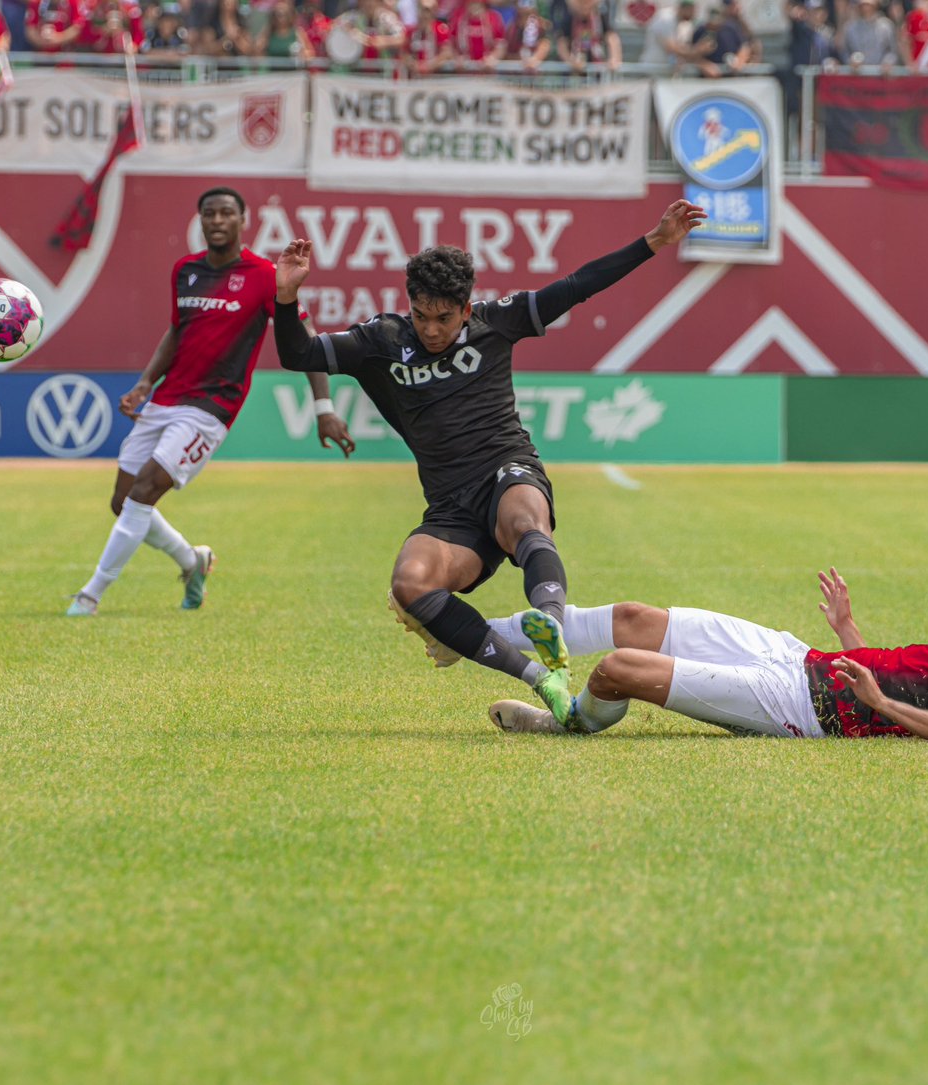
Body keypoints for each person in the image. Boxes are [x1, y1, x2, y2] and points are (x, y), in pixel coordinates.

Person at [272, 200, 706, 725]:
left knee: (524, 520)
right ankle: (540, 678)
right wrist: (286, 297)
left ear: (467, 307)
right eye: (421, 316)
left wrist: (652, 242)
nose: (431, 330)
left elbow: (577, 285)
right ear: (409, 305)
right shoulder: (380, 341)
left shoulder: (497, 321)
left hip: (507, 468)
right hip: (450, 507)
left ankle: (549, 624)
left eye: (444, 318)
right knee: (410, 585)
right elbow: (298, 355)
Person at [67, 188, 354, 617]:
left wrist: (323, 407)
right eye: (209, 214)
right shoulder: (186, 271)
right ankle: (192, 560)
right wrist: (146, 382)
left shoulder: (263, 275)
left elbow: (303, 339)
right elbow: (177, 331)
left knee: (144, 492)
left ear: (243, 220)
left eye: (226, 213)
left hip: (212, 407)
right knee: (122, 500)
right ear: (200, 220)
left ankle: (90, 595)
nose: (217, 220)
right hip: (167, 397)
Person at [488, 548, 928, 741]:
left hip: (801, 706)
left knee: (616, 670)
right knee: (638, 618)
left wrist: (879, 704)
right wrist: (848, 633)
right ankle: (478, 634)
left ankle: (566, 720)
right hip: (798, 658)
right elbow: (892, 677)